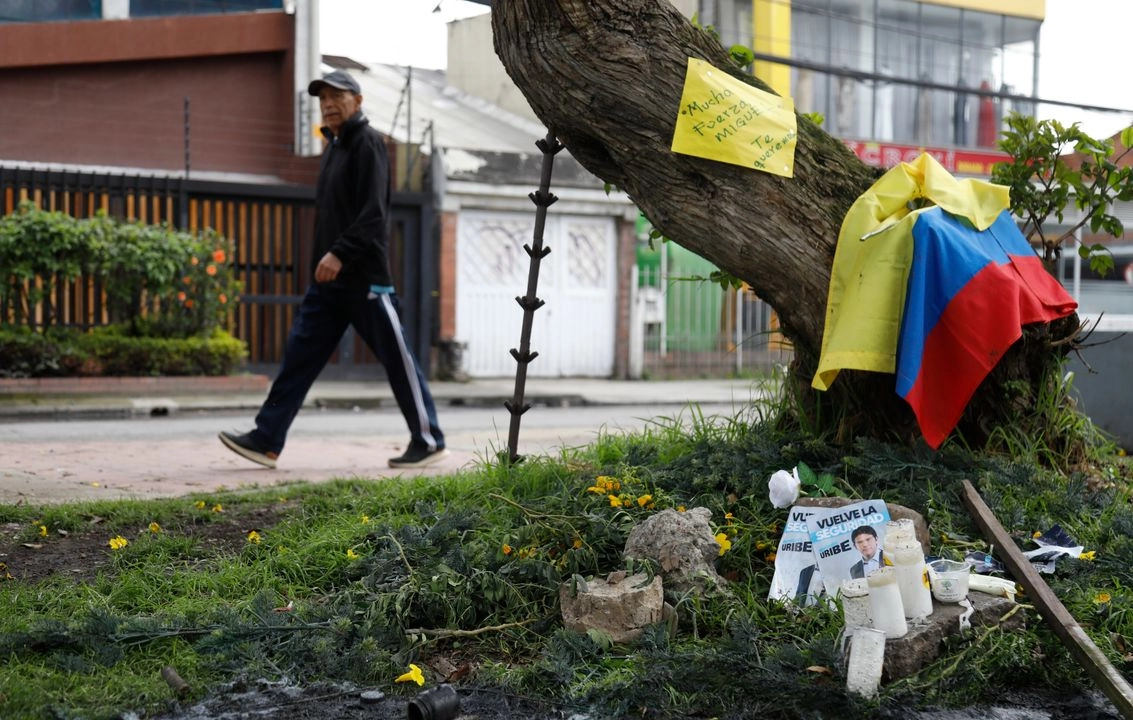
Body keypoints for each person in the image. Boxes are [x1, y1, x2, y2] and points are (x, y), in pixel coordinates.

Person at [219, 70, 447, 470]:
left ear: (357, 102)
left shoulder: (368, 145)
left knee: (399, 360)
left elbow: (374, 215)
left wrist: (339, 253)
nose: (327, 104)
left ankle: (428, 440)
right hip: (328, 286)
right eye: (322, 98)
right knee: (297, 359)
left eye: (336, 97)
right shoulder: (335, 148)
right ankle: (266, 439)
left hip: (365, 281)